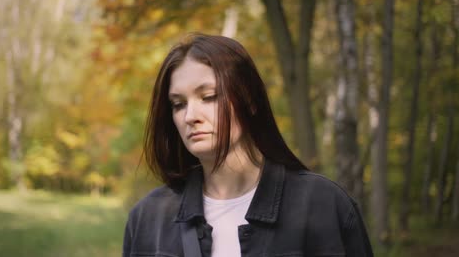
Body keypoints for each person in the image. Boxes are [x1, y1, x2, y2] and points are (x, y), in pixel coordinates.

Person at [122, 33, 373, 257]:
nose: (190, 116)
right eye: (178, 104)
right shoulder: (148, 218)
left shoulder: (323, 205)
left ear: (249, 99)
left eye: (208, 97)